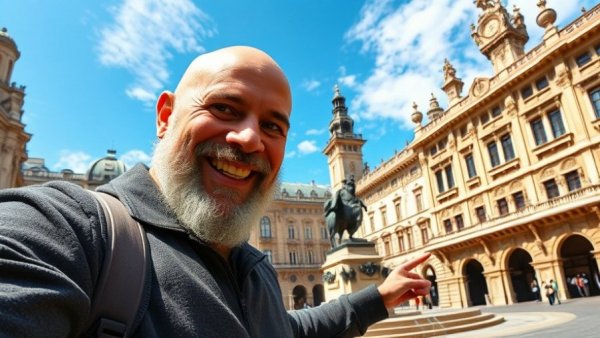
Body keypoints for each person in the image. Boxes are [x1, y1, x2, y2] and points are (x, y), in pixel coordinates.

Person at [0, 46, 431, 337]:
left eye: (272, 126)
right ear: (165, 116)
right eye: (224, 108)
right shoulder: (72, 231)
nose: (248, 139)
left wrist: (381, 295)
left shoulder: (252, 265)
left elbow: (287, 330)